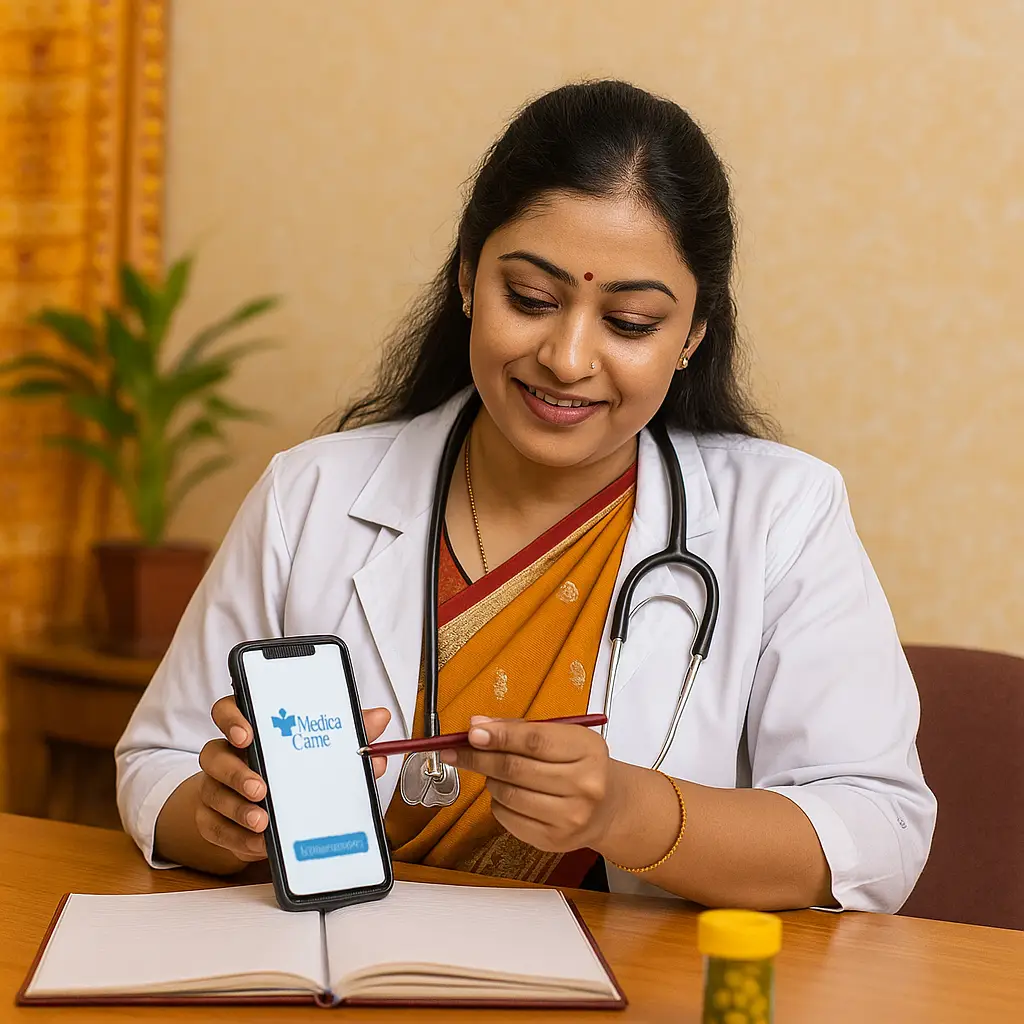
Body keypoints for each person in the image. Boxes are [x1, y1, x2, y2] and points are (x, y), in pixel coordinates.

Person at [115, 80, 935, 913]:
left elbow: (876, 831)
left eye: (631, 322)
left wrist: (627, 811)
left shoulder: (783, 516)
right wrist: (221, 817)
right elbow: (156, 765)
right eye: (532, 300)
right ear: (468, 278)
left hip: (628, 974)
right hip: (339, 960)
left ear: (692, 334)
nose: (568, 359)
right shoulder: (312, 494)